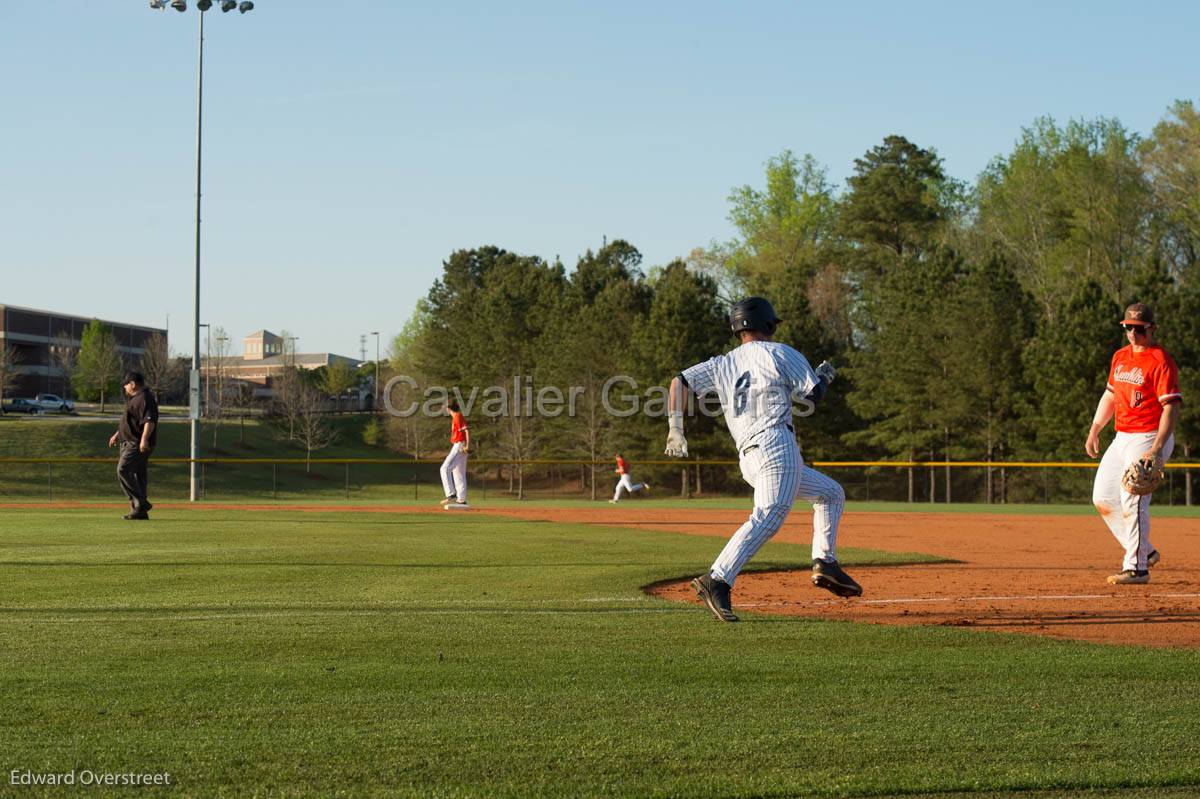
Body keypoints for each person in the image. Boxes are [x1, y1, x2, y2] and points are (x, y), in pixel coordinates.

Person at [665, 297, 860, 623]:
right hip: (775, 446)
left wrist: (675, 428)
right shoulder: (780, 352)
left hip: (750, 458)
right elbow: (813, 395)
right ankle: (717, 578)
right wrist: (824, 377)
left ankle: (825, 562)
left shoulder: (722, 363)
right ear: (769, 323)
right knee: (769, 515)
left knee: (830, 494)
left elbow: (679, 382)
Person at [1086, 302, 1182, 585]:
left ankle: (1137, 568)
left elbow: (1171, 408)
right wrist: (1094, 429)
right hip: (1122, 435)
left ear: (1151, 329)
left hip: (1149, 435)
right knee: (1103, 497)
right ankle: (1145, 550)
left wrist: (1156, 448)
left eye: (1138, 328)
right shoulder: (1120, 357)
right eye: (1128, 327)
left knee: (1132, 496)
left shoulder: (1161, 360)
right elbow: (1110, 395)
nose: (1132, 332)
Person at [107, 371, 158, 520]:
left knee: (123, 469)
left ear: (133, 384)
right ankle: (138, 512)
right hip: (129, 441)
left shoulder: (145, 398)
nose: (125, 387)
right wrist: (117, 434)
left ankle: (141, 502)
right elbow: (130, 422)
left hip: (136, 443)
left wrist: (144, 439)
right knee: (138, 475)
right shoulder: (135, 399)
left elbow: (149, 421)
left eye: (126, 384)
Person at [439, 398, 470, 509]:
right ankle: (461, 499)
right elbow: (465, 430)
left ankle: (450, 493)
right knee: (459, 473)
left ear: (449, 408)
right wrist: (466, 446)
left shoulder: (457, 416)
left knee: (444, 468)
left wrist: (467, 446)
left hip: (459, 445)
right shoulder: (457, 416)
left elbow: (466, 430)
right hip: (461, 445)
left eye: (446, 407)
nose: (445, 409)